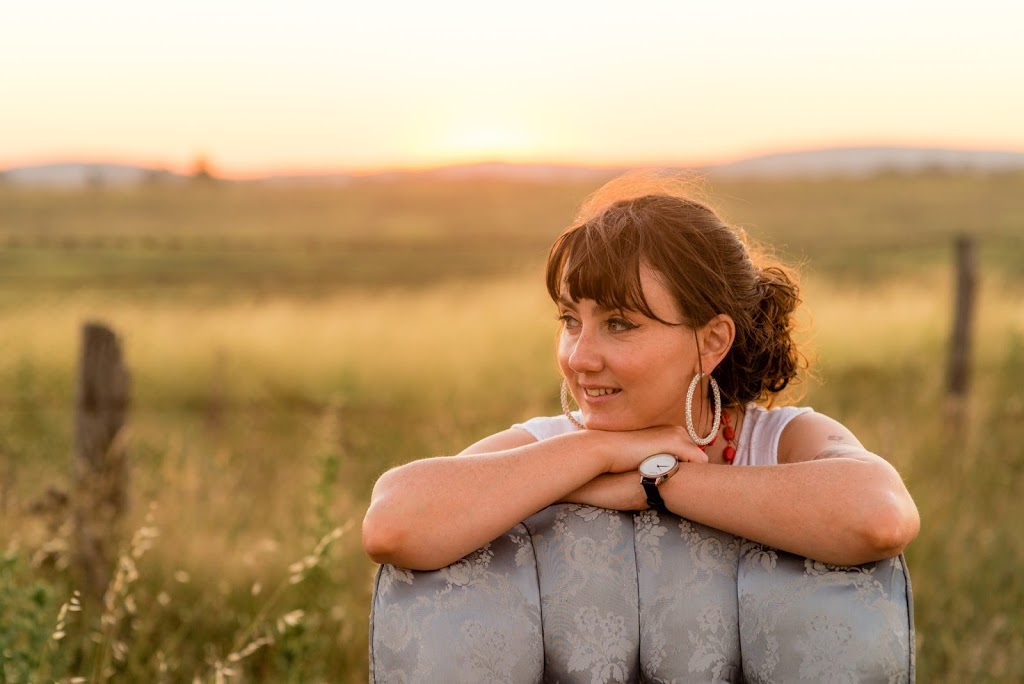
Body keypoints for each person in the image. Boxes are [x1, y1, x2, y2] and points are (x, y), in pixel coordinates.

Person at [361, 173, 920, 572]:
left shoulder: (778, 440)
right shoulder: (550, 448)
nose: (580, 356)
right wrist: (593, 455)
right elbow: (393, 524)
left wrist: (657, 481)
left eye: (621, 324)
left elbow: (878, 518)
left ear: (712, 341)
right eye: (571, 320)